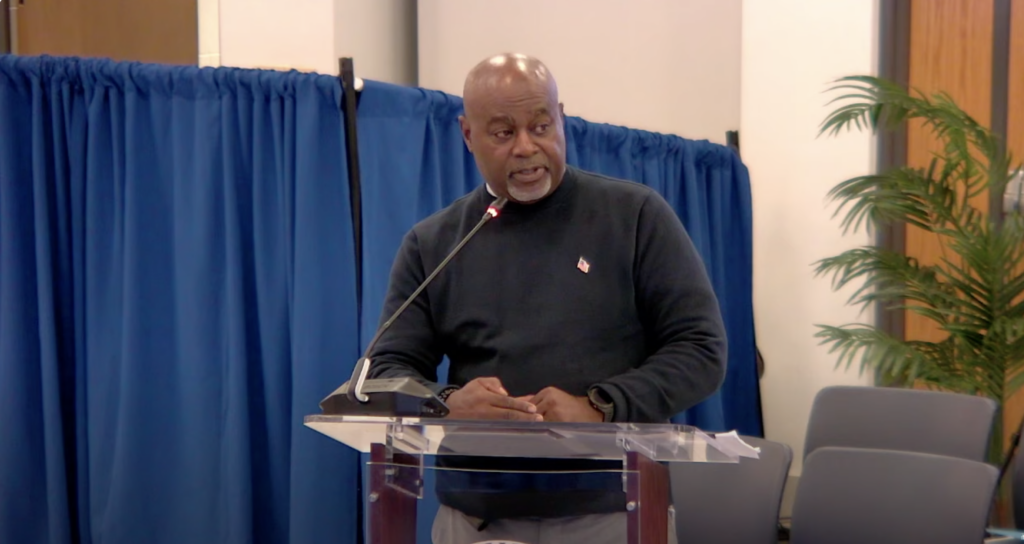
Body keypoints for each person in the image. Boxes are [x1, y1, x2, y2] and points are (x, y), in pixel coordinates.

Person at [366, 53, 727, 544]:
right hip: (475, 519)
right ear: (467, 135)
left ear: (562, 118)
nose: (526, 147)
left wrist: (600, 406)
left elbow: (700, 350)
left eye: (541, 125)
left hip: (613, 512)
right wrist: (446, 405)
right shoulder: (437, 243)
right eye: (502, 132)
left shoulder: (635, 216)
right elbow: (387, 371)